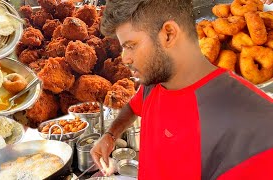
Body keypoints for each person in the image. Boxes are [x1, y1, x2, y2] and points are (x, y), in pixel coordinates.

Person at [90, 0, 273, 179]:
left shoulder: (257, 127)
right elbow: (133, 107)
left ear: (168, 34)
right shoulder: (154, 81)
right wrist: (111, 135)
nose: (125, 59)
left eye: (131, 46)